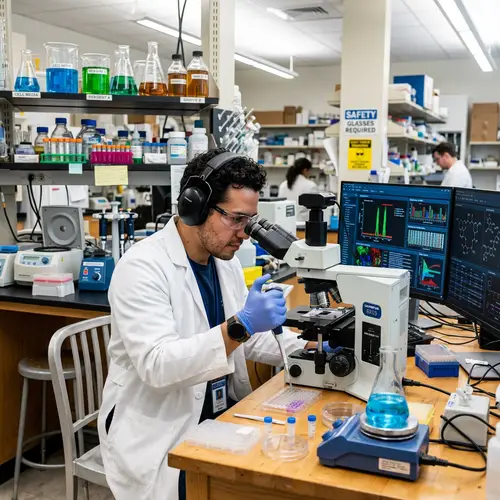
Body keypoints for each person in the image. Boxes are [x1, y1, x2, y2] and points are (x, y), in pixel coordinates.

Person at [97, 149, 314, 500]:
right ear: (194, 206)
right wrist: (242, 325)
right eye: (237, 219)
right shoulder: (141, 268)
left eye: (251, 221)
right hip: (161, 430)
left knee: (297, 461)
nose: (246, 234)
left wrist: (309, 348)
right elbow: (158, 366)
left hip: (220, 415)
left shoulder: (222, 259)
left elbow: (250, 340)